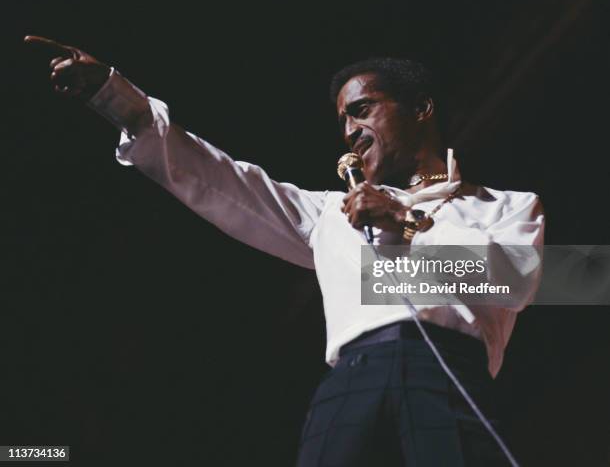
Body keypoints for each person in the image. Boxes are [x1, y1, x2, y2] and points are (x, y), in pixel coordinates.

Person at [25, 35, 544, 466]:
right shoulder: (328, 213)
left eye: (363, 111)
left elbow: (516, 280)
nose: (349, 133)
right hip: (353, 380)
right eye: (342, 120)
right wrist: (116, 99)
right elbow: (219, 179)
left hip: (452, 380)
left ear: (421, 108)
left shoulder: (505, 207)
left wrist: (403, 219)